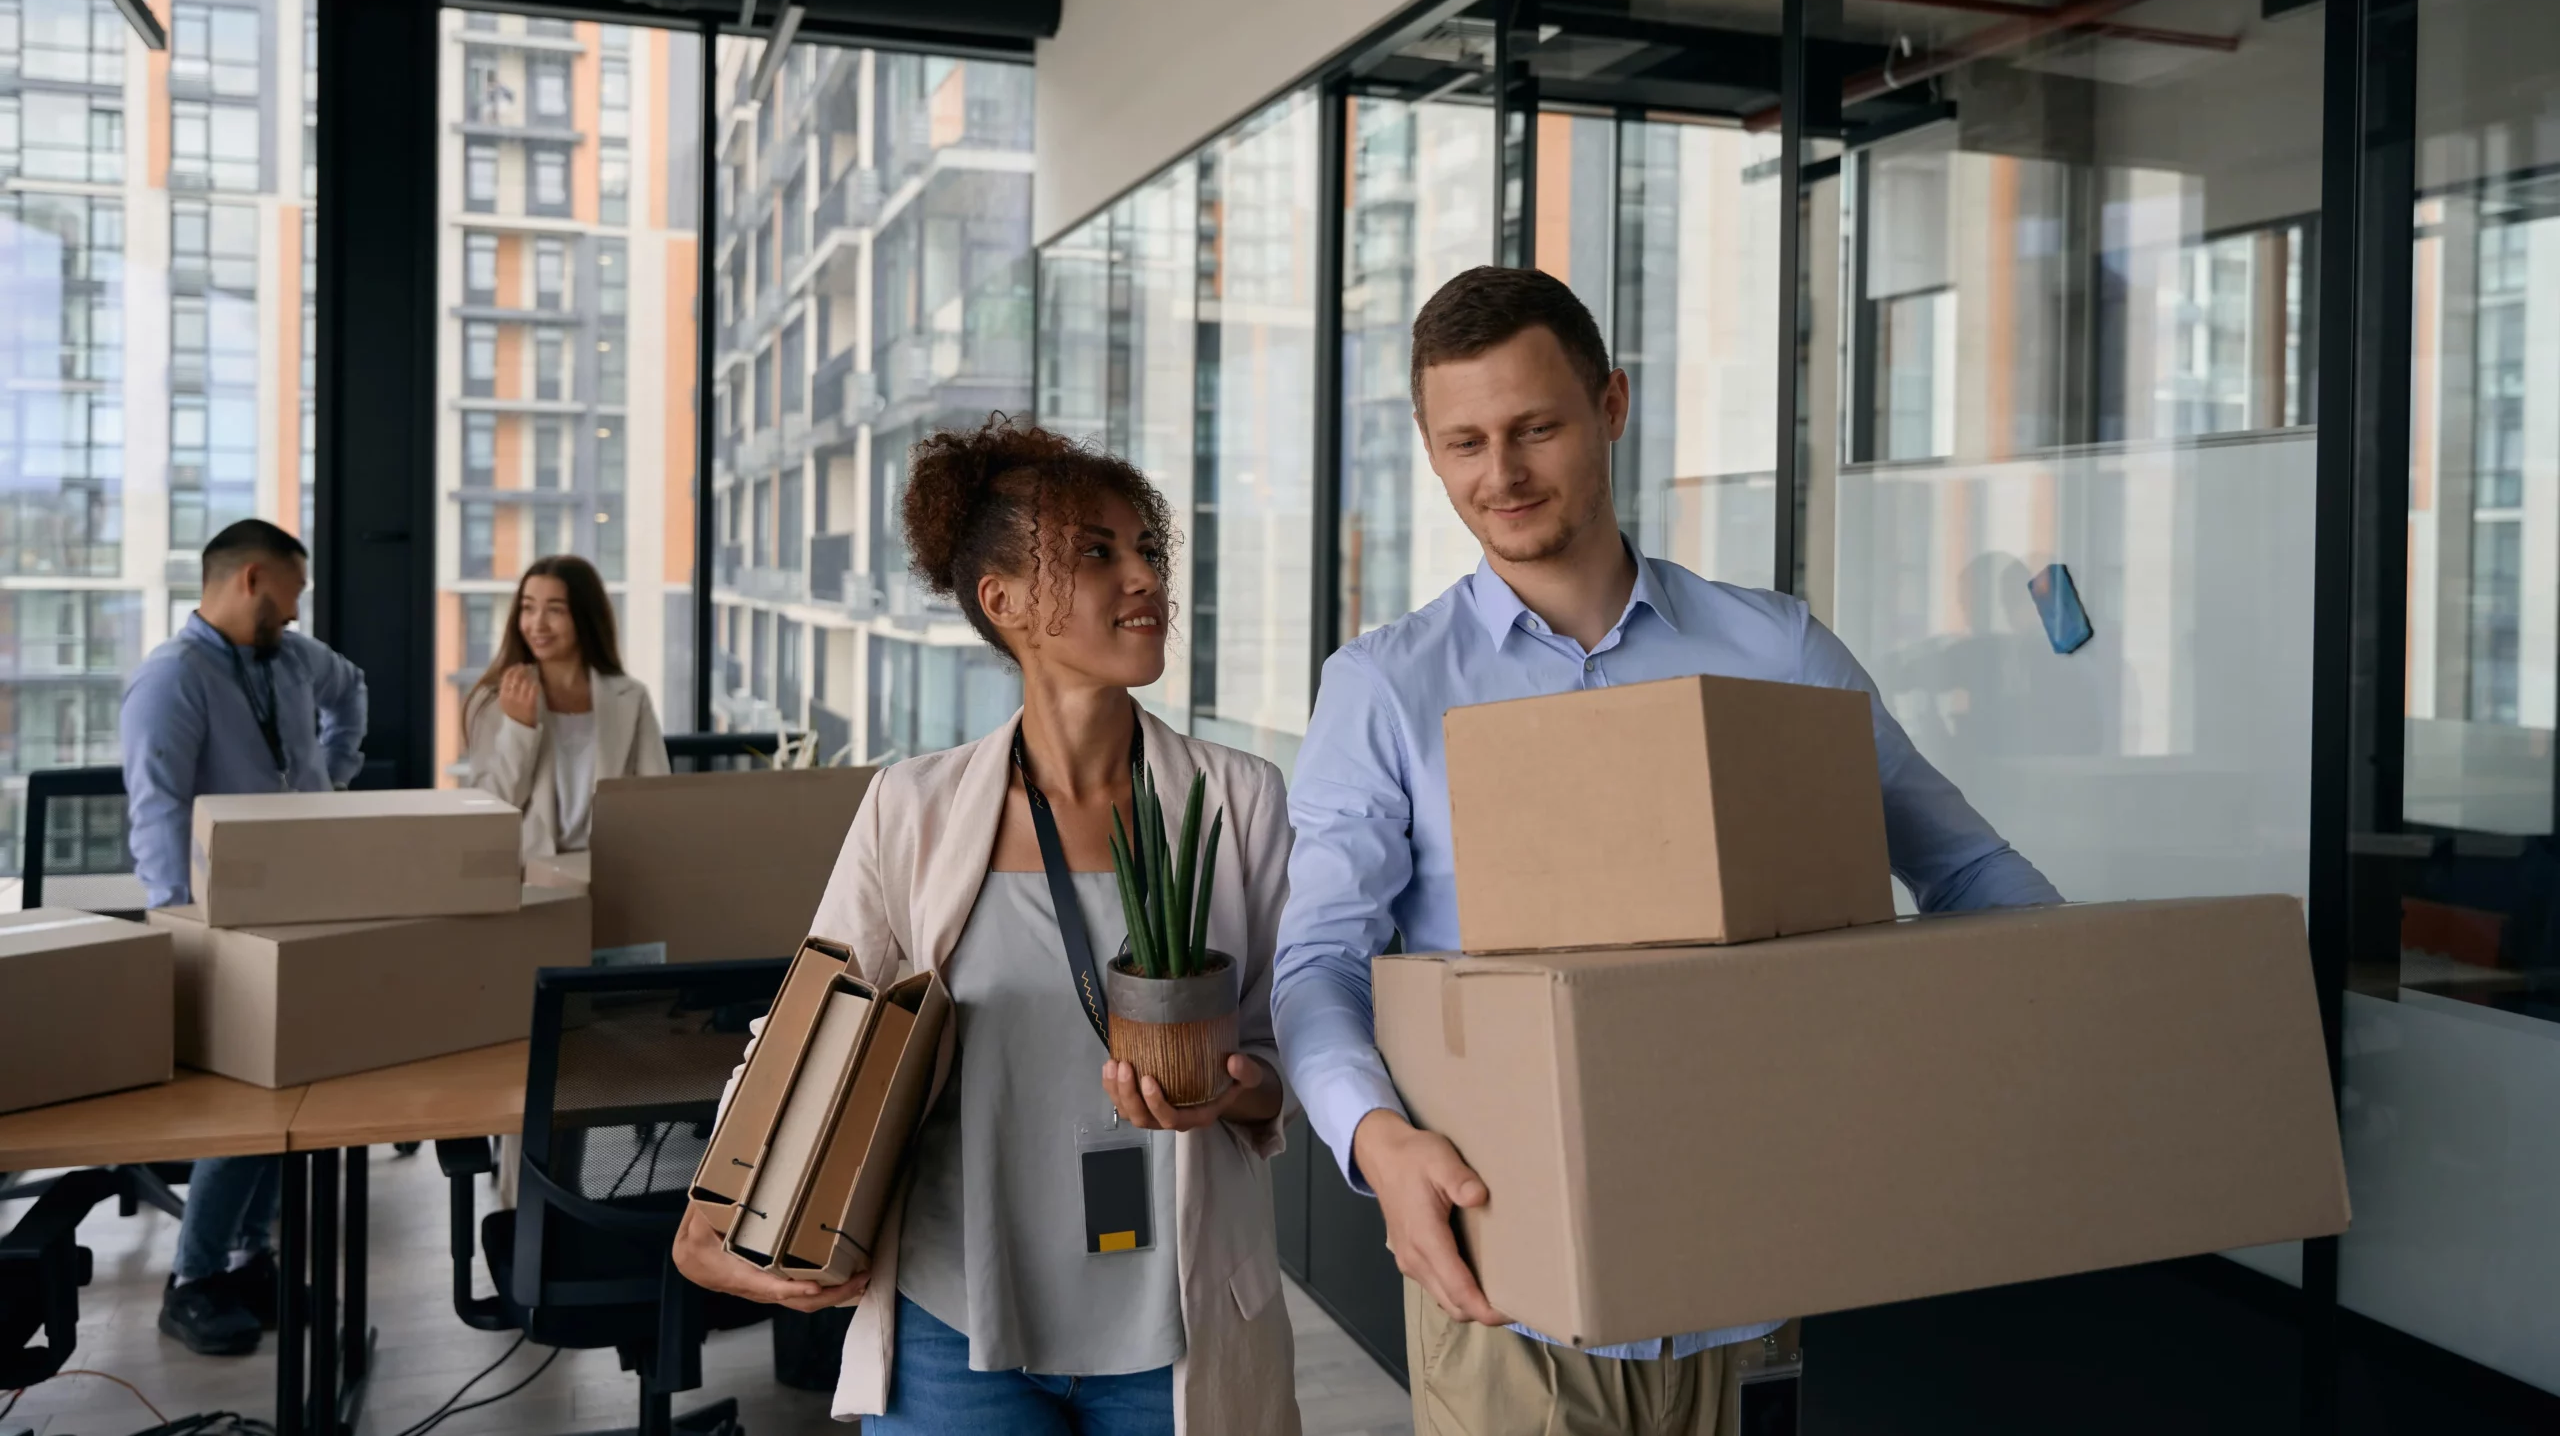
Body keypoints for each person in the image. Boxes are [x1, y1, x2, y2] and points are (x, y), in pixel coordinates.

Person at [1271, 266, 2063, 1436]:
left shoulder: (1774, 651)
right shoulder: (1385, 688)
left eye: (1535, 427)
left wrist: (2088, 1006)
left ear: (1611, 407)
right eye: (1465, 443)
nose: (1501, 474)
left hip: (1750, 1271)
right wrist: (1376, 1143)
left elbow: (1966, 870)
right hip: (1510, 1288)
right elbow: (1317, 966)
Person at [674, 418, 1300, 1436]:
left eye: (1148, 549)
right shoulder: (911, 807)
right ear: (1001, 602)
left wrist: (1226, 1091)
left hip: (1178, 1323)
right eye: (1097, 553)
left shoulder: (1238, 801)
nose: (1143, 577)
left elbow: (1293, 1043)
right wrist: (712, 1204)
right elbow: (814, 1023)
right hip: (952, 1317)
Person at [122, 518, 368, 1356]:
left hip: (307, 909)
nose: (297, 614)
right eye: (293, 594)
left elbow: (352, 691)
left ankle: (247, 1256)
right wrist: (182, 926)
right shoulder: (172, 678)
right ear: (254, 579)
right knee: (243, 1113)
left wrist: (330, 777)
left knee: (288, 1102)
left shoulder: (294, 661)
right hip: (219, 923)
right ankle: (192, 1279)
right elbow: (155, 810)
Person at [462, 554, 670, 860]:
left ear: (585, 618)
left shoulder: (631, 698)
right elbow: (491, 809)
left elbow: (657, 804)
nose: (537, 624)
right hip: (526, 879)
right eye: (528, 608)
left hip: (614, 873)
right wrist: (519, 729)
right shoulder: (496, 699)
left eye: (555, 610)